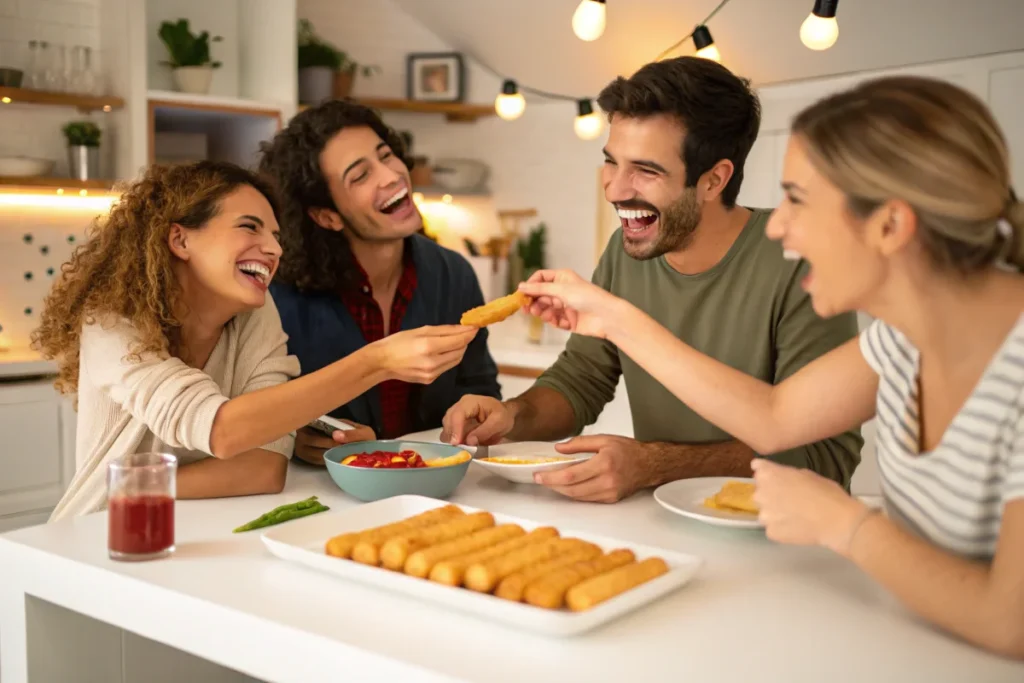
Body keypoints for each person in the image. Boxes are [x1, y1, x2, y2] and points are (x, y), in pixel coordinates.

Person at [518, 75, 1024, 658]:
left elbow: (1010, 621)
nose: (777, 226)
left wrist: (844, 523)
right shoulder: (902, 341)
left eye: (799, 200)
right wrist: (611, 317)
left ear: (889, 225)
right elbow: (776, 417)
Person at [442, 56, 863, 503]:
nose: (615, 189)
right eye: (611, 163)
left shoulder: (800, 265)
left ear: (713, 180)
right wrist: (512, 414)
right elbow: (580, 381)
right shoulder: (629, 254)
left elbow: (823, 457)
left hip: (780, 533)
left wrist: (656, 463)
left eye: (645, 170)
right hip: (661, 521)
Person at [34, 161, 477, 520]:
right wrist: (376, 362)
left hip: (196, 528)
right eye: (250, 227)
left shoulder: (254, 313)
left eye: (275, 236)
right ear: (180, 238)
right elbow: (225, 432)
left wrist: (133, 483)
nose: (273, 249)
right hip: (98, 532)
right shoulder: (114, 323)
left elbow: (264, 467)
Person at [261, 99, 501, 466]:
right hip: (326, 498)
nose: (391, 176)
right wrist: (295, 437)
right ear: (327, 216)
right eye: (360, 176)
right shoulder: (277, 298)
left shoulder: (453, 273)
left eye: (386, 155)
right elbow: (259, 412)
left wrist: (479, 412)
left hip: (433, 486)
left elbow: (480, 389)